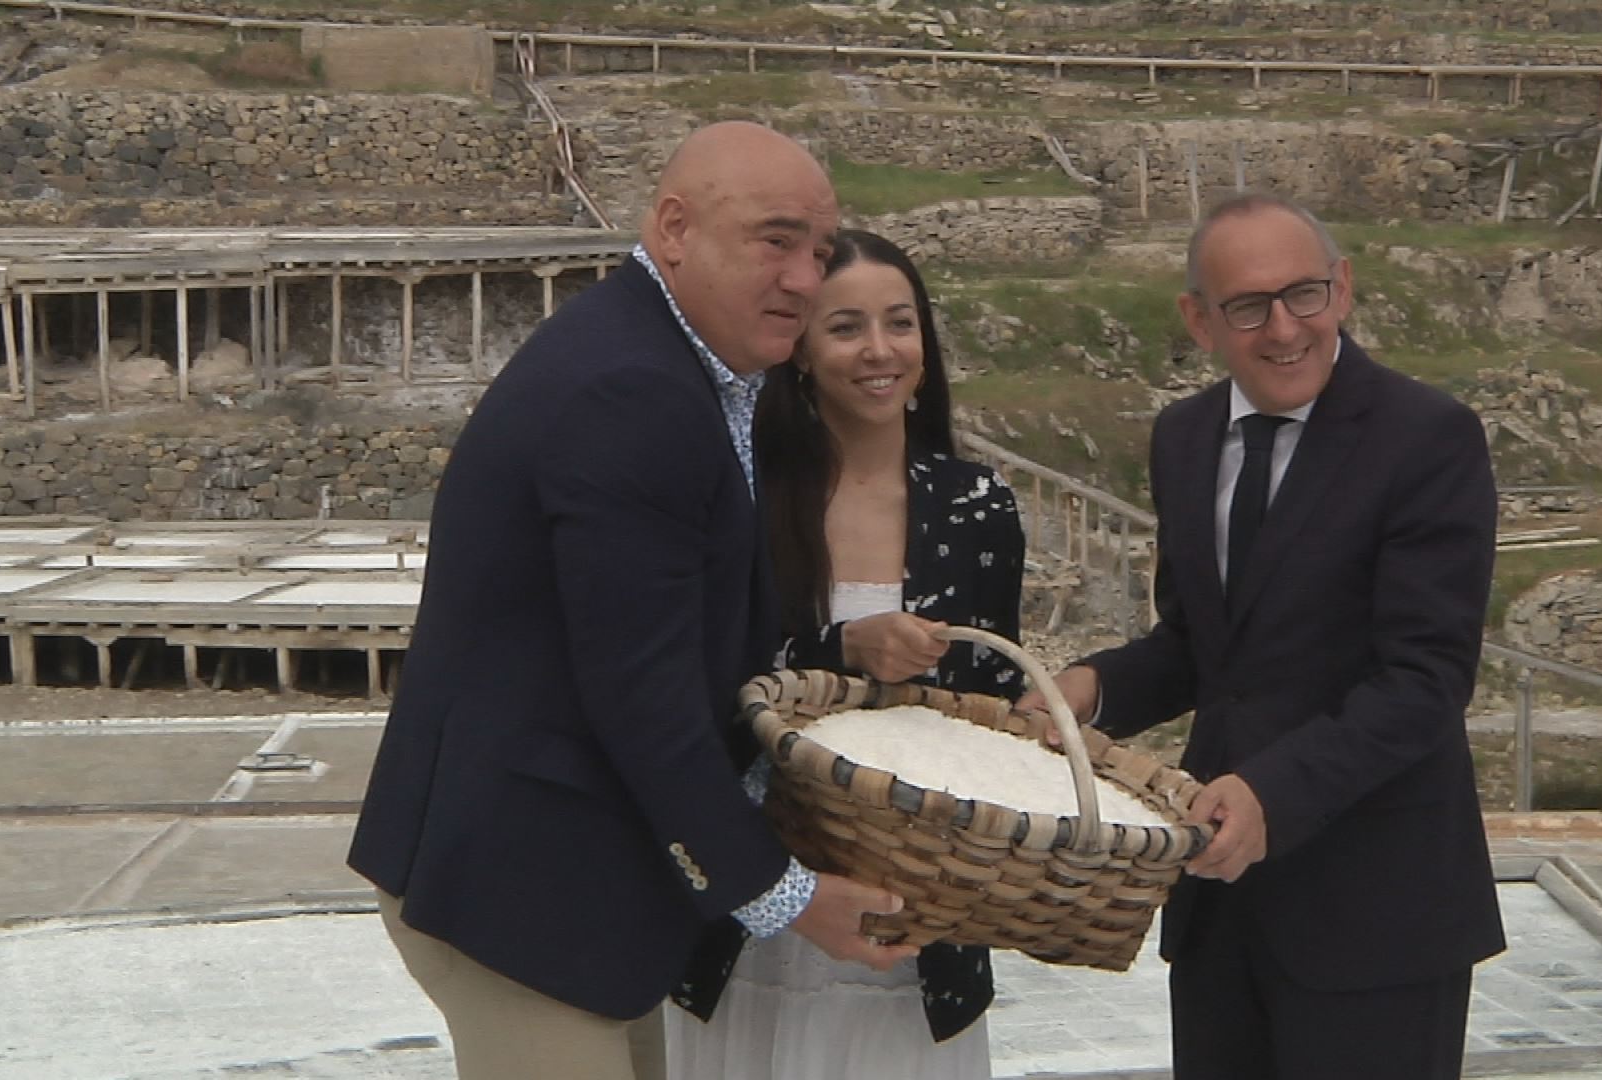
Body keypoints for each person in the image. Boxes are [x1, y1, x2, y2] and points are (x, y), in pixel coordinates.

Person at [346, 122, 916, 1080]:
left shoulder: (679, 371)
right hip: (526, 893)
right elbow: (639, 692)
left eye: (818, 252)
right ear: (674, 229)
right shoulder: (633, 391)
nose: (806, 280)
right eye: (775, 241)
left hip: (569, 887)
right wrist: (782, 893)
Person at [1021, 193, 1504, 1080]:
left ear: (1344, 289)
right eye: (1248, 307)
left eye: (1305, 295)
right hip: (1221, 912)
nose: (1284, 328)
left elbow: (1426, 679)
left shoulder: (1428, 438)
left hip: (1379, 920)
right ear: (1199, 321)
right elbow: (1205, 649)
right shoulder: (1184, 438)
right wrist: (1090, 688)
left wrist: (1271, 796)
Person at [666, 229, 1026, 1080]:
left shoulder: (978, 506)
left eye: (900, 324)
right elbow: (701, 684)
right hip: (761, 897)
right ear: (799, 352)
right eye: (845, 327)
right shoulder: (746, 494)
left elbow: (997, 709)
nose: (879, 351)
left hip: (917, 905)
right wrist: (841, 649)